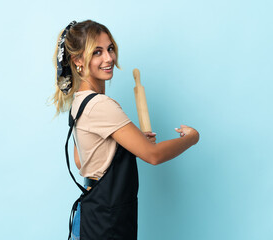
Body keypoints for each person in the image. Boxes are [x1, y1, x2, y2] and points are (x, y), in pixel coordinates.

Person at [52, 20, 200, 240]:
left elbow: (82, 161)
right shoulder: (101, 105)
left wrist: (131, 142)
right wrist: (191, 137)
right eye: (97, 52)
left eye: (110, 49)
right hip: (106, 225)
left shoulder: (80, 102)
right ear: (78, 60)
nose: (109, 58)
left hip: (89, 218)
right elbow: (154, 155)